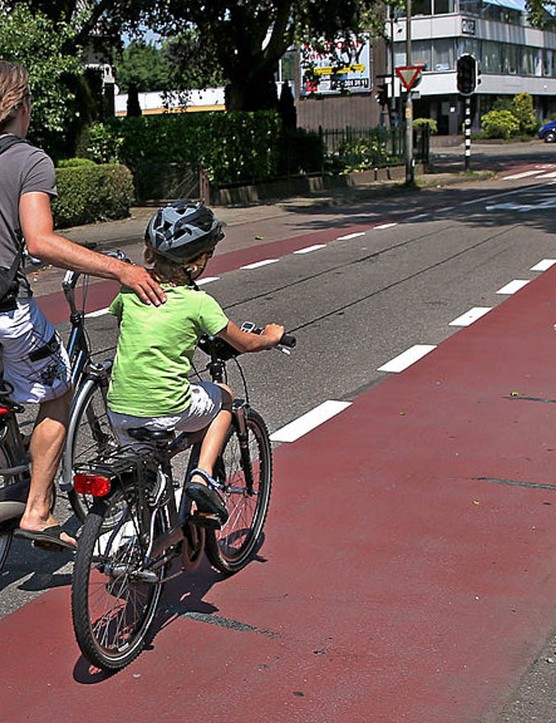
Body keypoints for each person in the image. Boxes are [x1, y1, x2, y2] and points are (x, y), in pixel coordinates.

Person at [0, 60, 166, 551]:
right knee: (57, 391)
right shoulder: (30, 160)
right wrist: (121, 269)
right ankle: (38, 510)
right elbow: (40, 242)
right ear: (24, 106)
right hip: (7, 311)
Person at [107, 200, 284, 527]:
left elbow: (125, 322)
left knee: (141, 475)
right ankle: (201, 477)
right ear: (196, 262)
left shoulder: (131, 291)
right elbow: (244, 342)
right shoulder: (198, 302)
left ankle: (137, 543)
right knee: (224, 398)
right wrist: (270, 337)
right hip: (166, 405)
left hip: (118, 407)